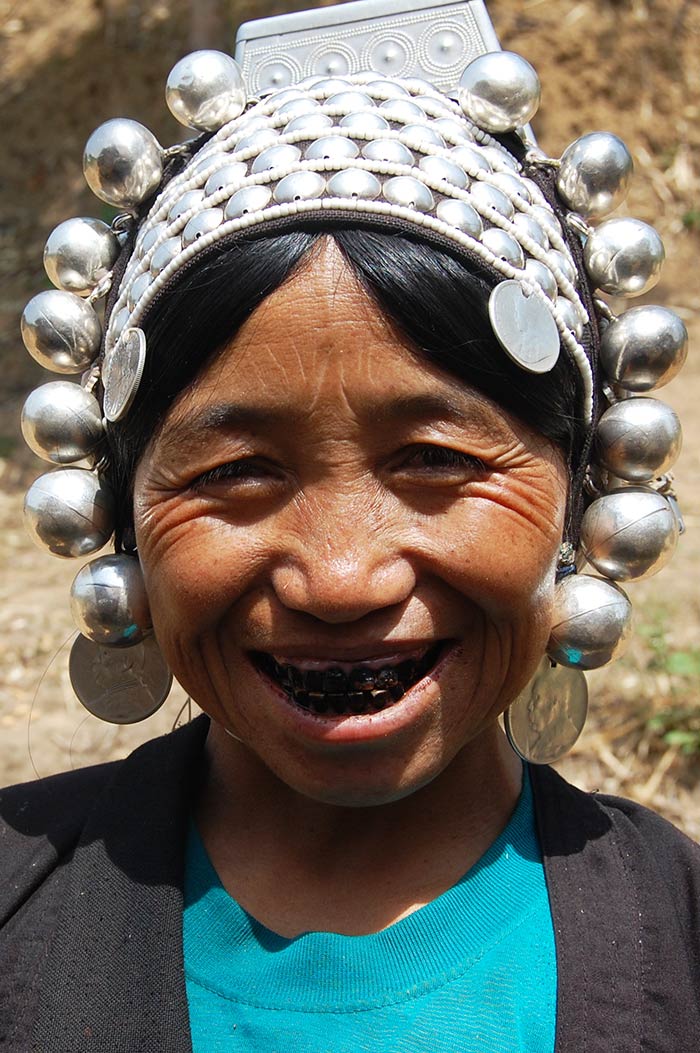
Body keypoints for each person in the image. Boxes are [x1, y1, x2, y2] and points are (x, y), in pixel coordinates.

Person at [3, 2, 698, 1049]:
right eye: (236, 472)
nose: (338, 577)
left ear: (582, 492)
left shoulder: (680, 941)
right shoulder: (19, 909)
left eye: (436, 463)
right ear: (118, 509)